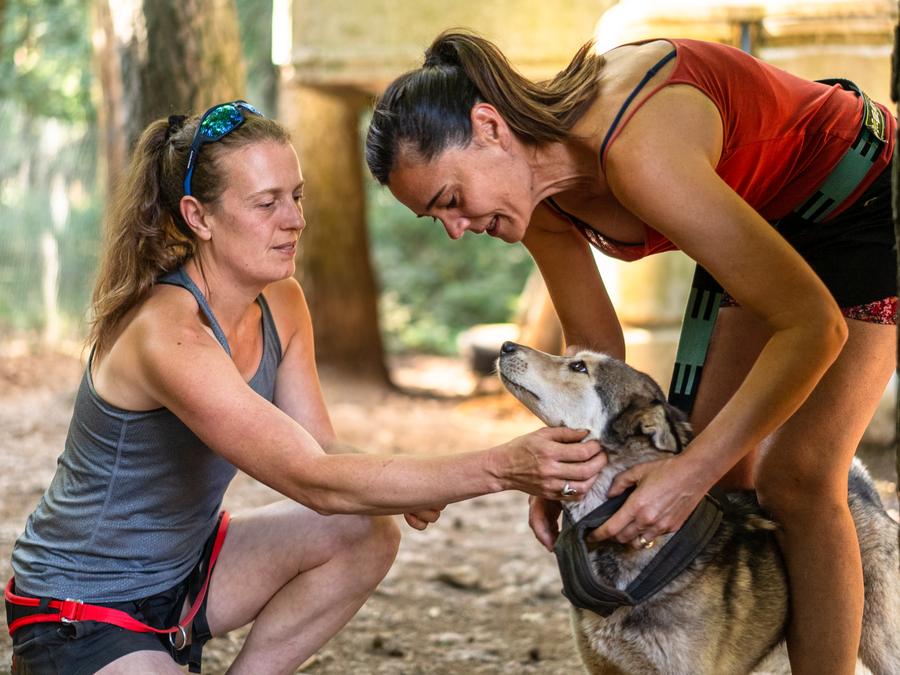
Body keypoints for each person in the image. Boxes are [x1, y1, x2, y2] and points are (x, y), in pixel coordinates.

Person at [3, 100, 607, 675]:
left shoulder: (281, 301)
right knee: (348, 507)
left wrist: (402, 484)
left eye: (295, 196)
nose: (294, 220)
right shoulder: (166, 334)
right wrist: (502, 467)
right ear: (198, 217)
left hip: (188, 576)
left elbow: (320, 447)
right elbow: (312, 479)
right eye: (266, 203)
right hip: (81, 608)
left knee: (365, 531)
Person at [365, 31, 897, 675]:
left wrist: (689, 472)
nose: (456, 229)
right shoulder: (537, 196)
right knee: (720, 480)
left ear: (489, 127)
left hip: (865, 199)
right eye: (436, 218)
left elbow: (813, 327)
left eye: (450, 200)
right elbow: (595, 350)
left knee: (797, 478)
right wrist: (569, 462)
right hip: (766, 220)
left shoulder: (636, 151)